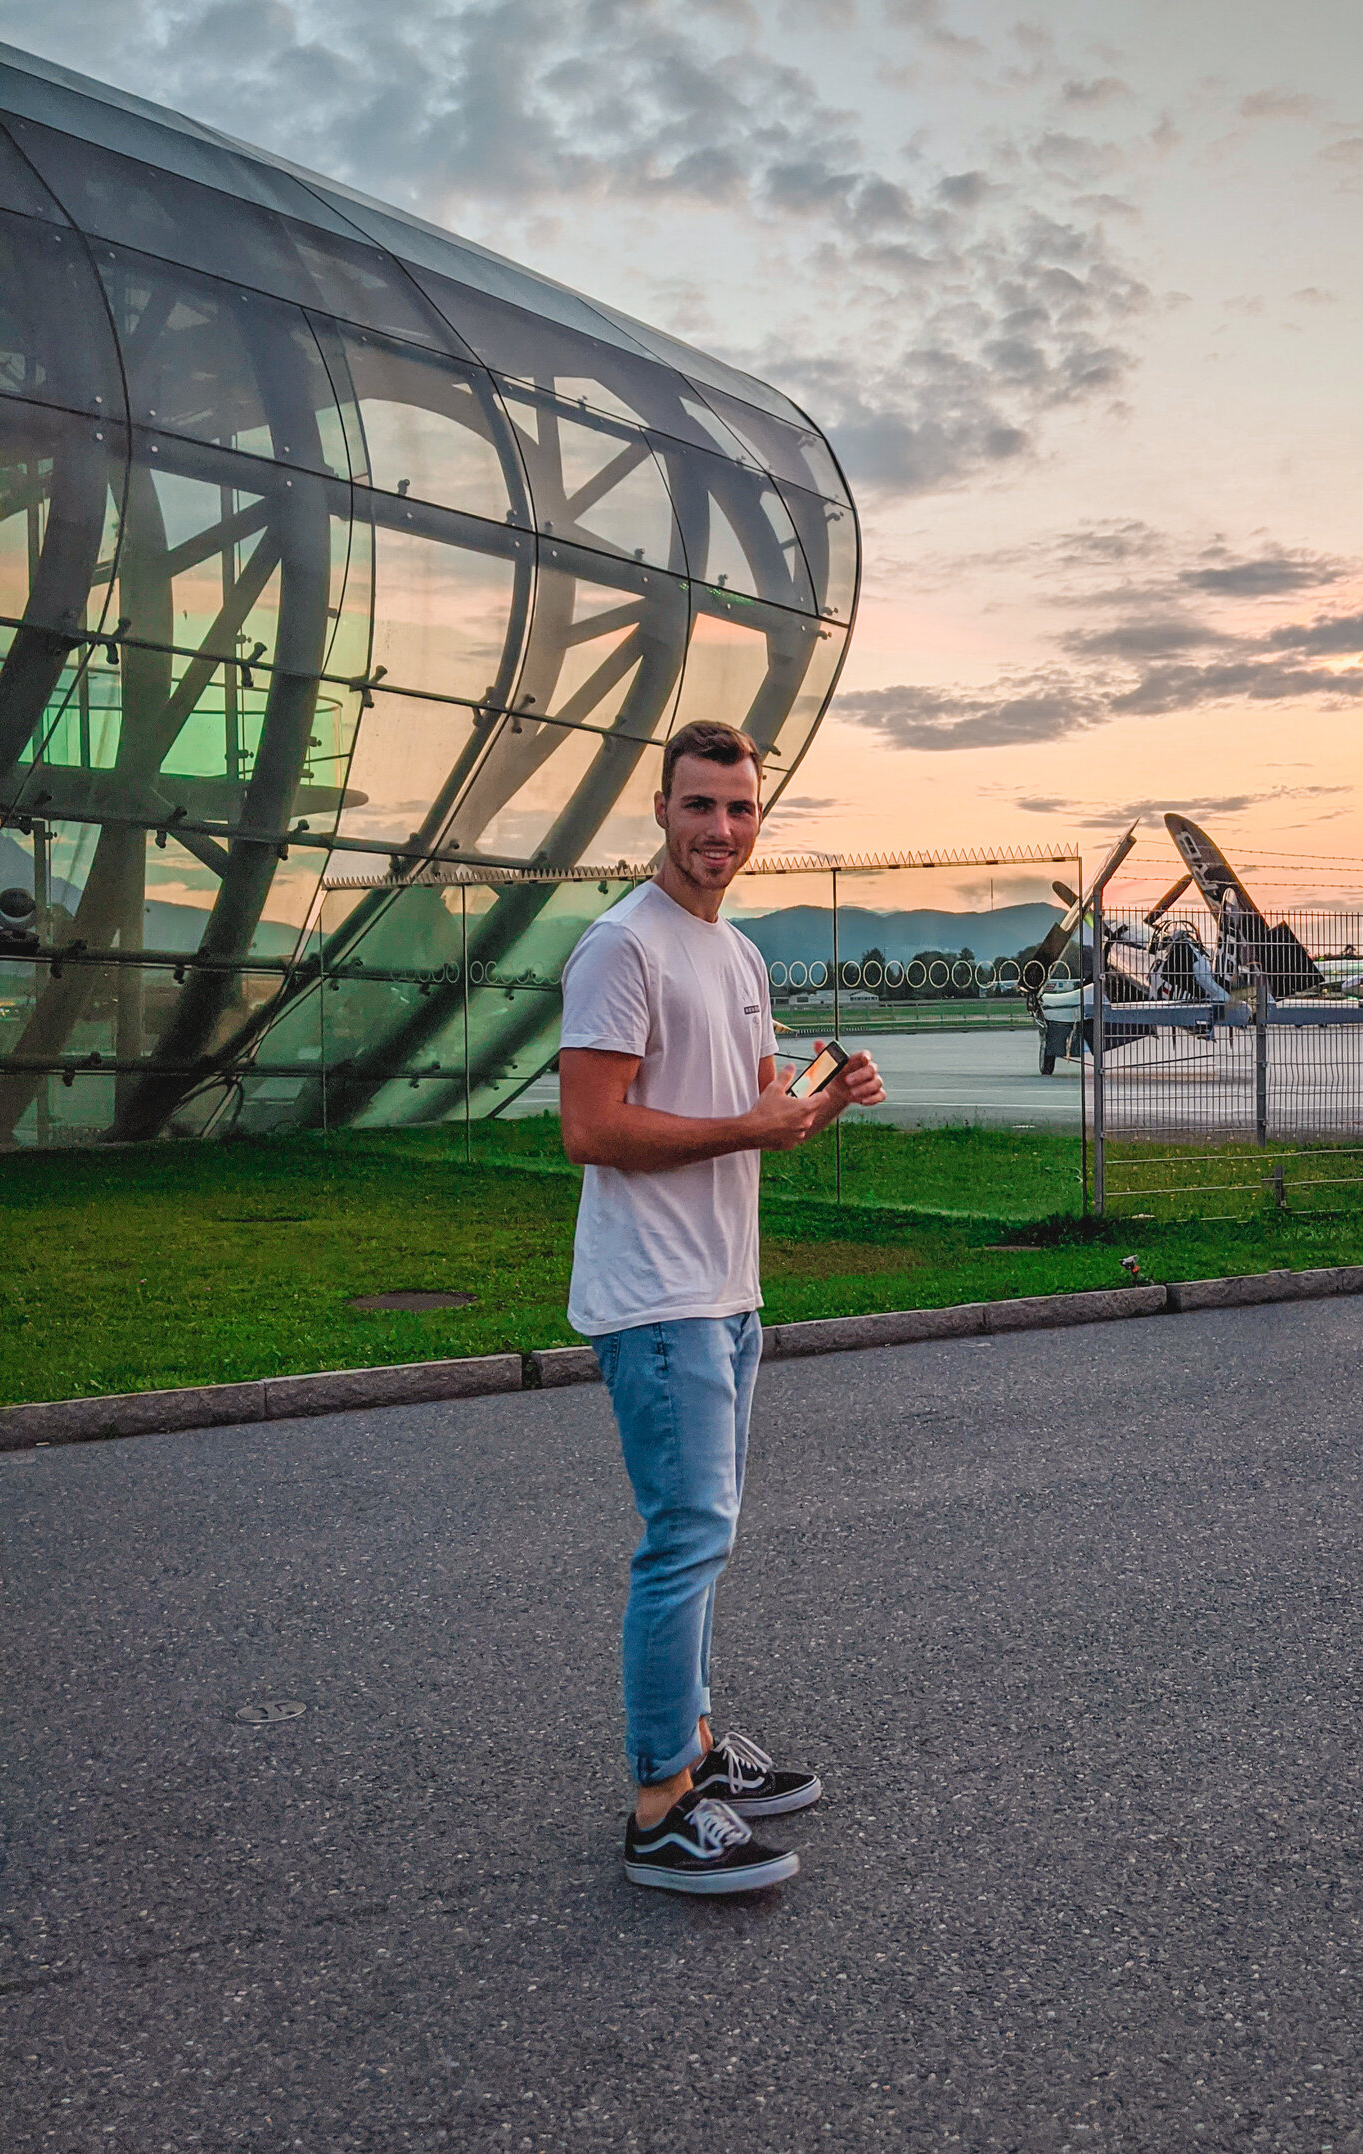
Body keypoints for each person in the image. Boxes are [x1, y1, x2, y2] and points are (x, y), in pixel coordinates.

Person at [559, 719, 885, 1895]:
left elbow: (752, 1101)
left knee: (706, 1538)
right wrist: (750, 1123)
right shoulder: (621, 948)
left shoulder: (735, 954)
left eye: (741, 810)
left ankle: (695, 1753)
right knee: (683, 1542)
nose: (722, 831)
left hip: (727, 1290)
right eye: (701, 808)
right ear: (661, 811)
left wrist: (822, 1096)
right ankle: (659, 1806)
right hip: (657, 1298)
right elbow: (591, 1127)